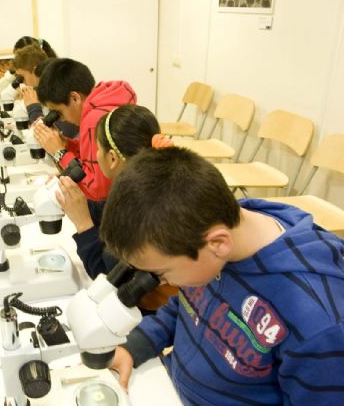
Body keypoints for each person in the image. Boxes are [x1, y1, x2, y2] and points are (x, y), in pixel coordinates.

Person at [99, 146, 344, 404]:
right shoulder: (206, 230)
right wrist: (136, 346)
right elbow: (186, 306)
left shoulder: (318, 324)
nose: (162, 283)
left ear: (217, 243)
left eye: (163, 273)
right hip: (169, 387)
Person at [56, 105, 177, 311]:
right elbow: (107, 211)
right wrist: (77, 203)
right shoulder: (149, 183)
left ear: (112, 157)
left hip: (152, 311)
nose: (96, 153)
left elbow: (106, 276)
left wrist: (83, 224)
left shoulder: (142, 207)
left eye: (98, 148)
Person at [33, 58, 137, 200]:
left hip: (117, 203)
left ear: (75, 98)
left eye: (59, 112)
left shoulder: (94, 120)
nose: (61, 119)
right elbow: (92, 158)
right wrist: (66, 144)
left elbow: (96, 191)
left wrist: (59, 153)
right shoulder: (106, 100)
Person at [11, 45, 78, 138]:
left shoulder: (58, 88)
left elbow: (62, 133)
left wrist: (33, 109)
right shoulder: (41, 90)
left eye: (22, 77)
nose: (23, 82)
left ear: (34, 70)